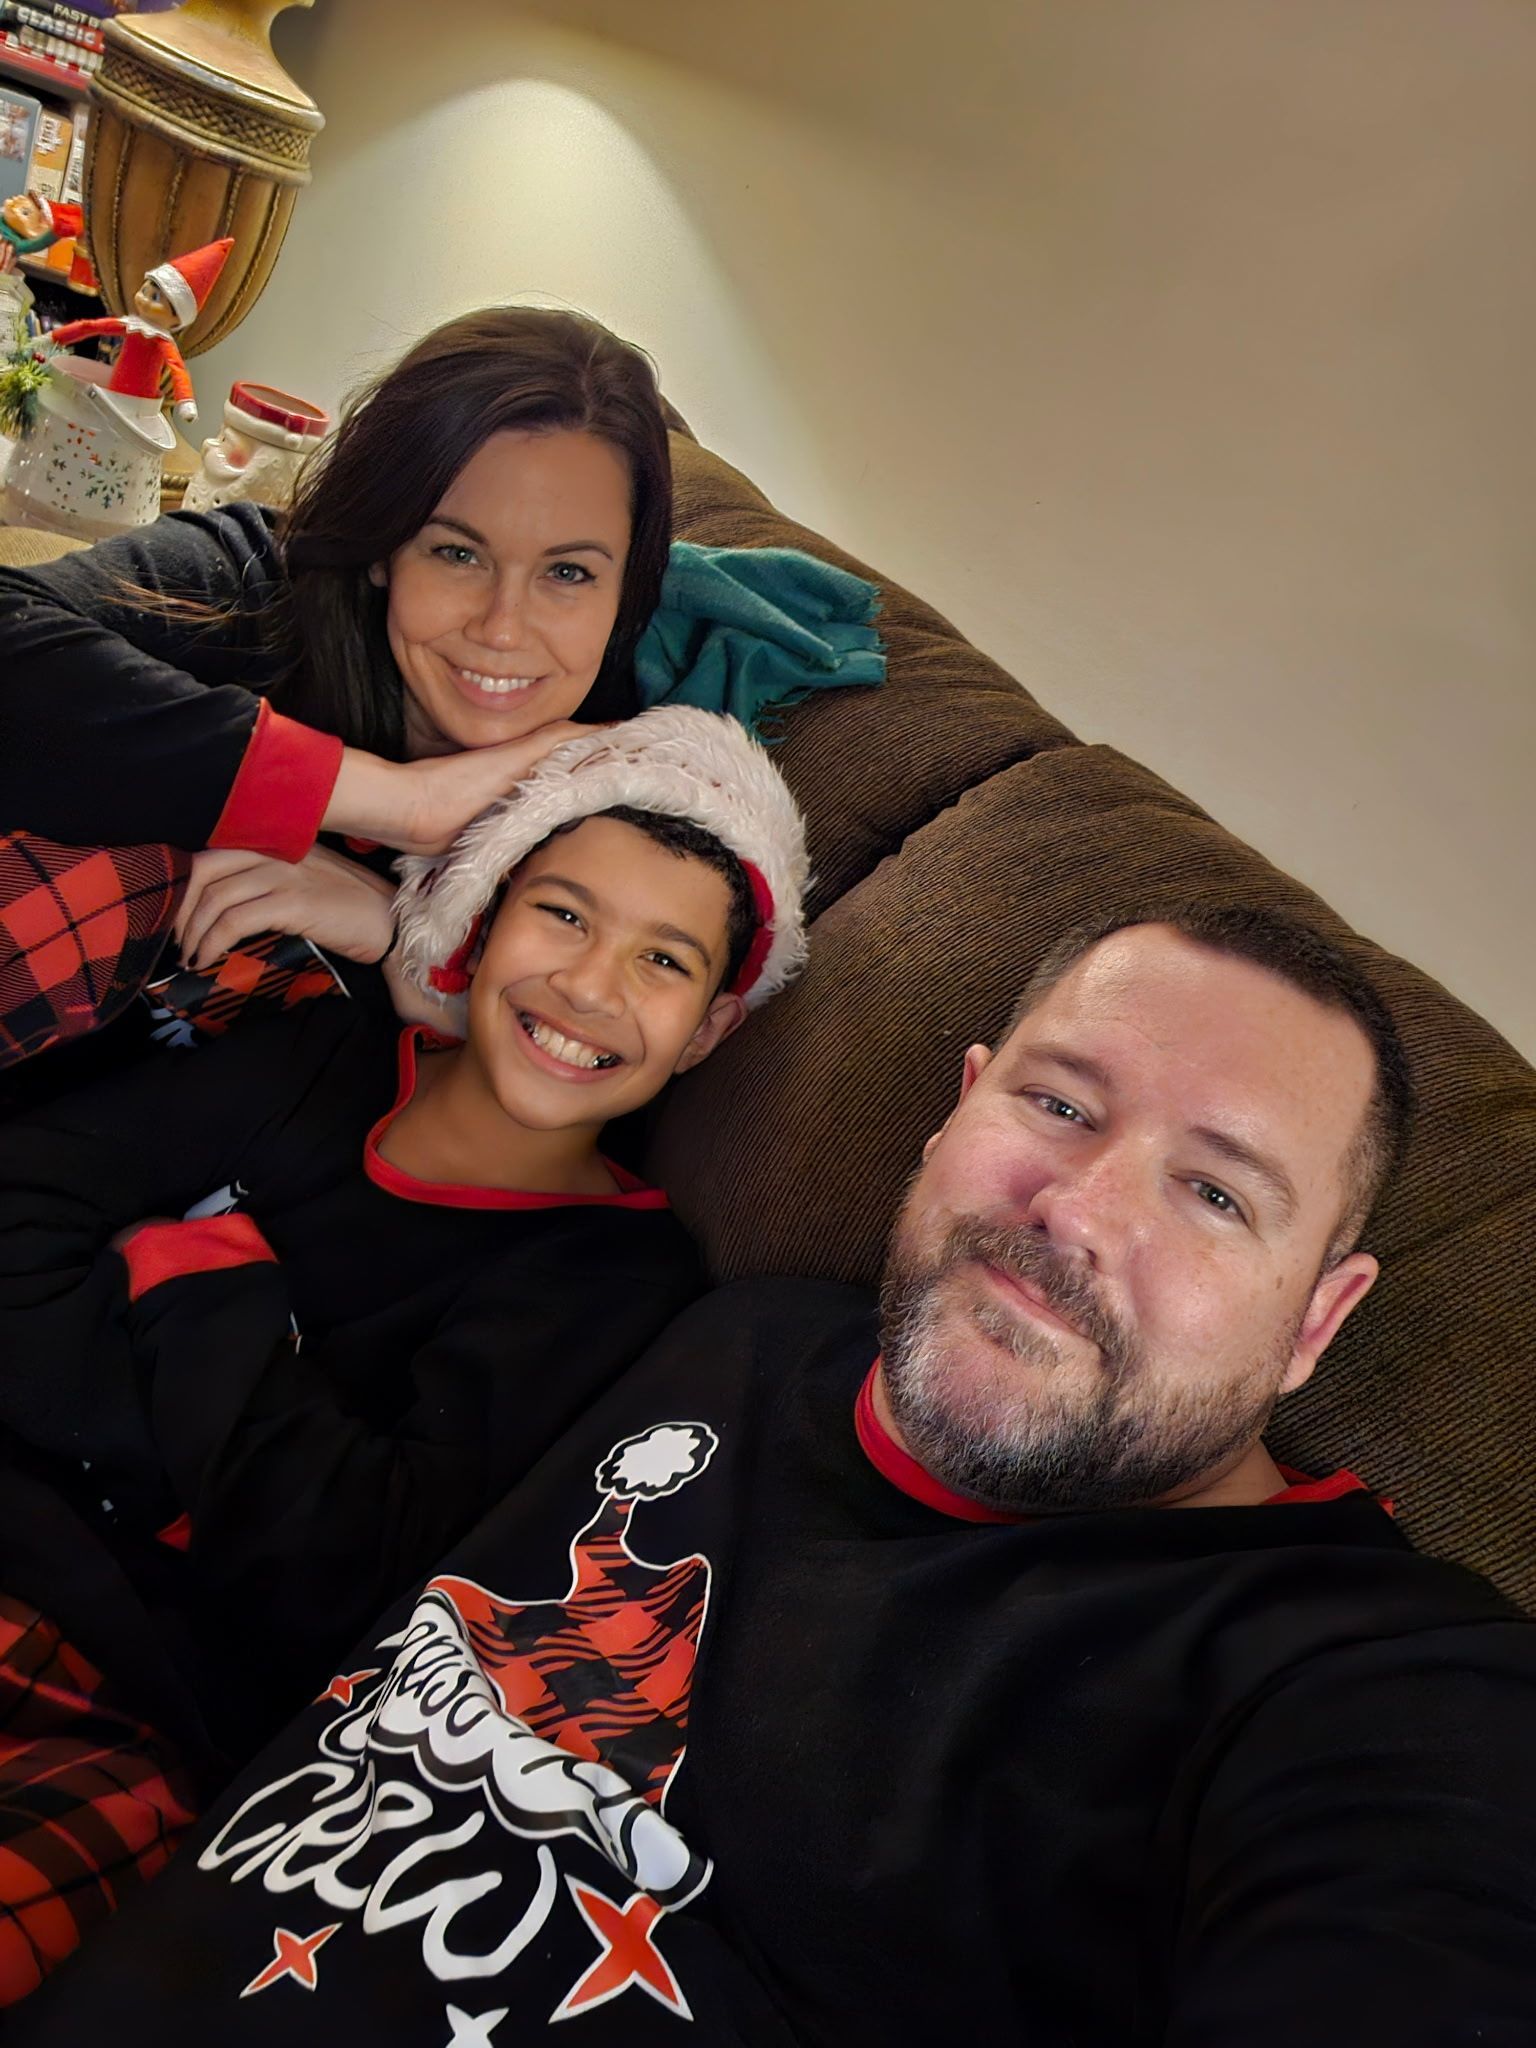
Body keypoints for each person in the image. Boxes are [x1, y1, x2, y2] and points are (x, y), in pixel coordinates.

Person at [14, 902, 1535, 2045]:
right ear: (957, 1106)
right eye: (1060, 1103)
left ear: (1316, 1322)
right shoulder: (736, 1337)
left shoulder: (1372, 1689)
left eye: (1214, 1190)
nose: (1076, 1209)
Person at [0, 707, 808, 1768]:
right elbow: (15, 1199)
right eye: (564, 914)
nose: (592, 985)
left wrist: (189, 1273)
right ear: (478, 921)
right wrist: (217, 1458)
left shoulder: (619, 1283)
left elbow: (343, 1578)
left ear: (707, 1027)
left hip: (129, 1673)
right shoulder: (319, 1052)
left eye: (664, 959)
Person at [0, 303, 672, 1077]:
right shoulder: (250, 585)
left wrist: (402, 939)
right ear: (385, 547)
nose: (503, 628)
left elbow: (591, 1075)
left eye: (567, 573)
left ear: (628, 593)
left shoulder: (624, 805)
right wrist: (389, 801)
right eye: (457, 553)